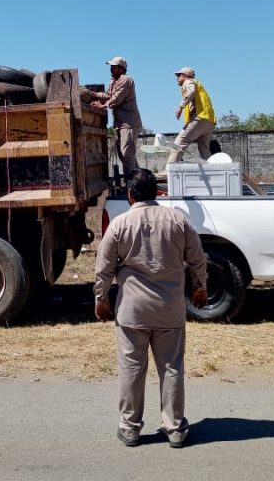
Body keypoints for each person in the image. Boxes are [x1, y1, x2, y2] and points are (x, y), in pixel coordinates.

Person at [94, 168, 208, 448]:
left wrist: (101, 298)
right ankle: (175, 428)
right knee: (171, 368)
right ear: (157, 193)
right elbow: (197, 258)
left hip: (132, 311)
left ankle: (130, 428)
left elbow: (103, 267)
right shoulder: (178, 221)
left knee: (132, 369)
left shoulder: (120, 224)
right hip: (170, 309)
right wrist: (200, 286)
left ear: (131, 194)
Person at [90, 56, 143, 177]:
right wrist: (92, 94)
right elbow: (108, 95)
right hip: (121, 124)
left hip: (129, 123)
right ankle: (139, 179)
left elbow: (116, 98)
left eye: (114, 67)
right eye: (111, 67)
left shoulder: (126, 80)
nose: (111, 69)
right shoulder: (113, 82)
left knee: (126, 154)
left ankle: (131, 183)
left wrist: (103, 106)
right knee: (123, 153)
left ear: (121, 68)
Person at [166, 67, 216, 164]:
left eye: (179, 75)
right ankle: (213, 171)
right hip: (209, 121)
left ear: (186, 76)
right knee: (204, 150)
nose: (177, 78)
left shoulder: (188, 82)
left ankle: (170, 170)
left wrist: (180, 107)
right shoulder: (198, 84)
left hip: (200, 118)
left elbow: (191, 91)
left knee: (179, 143)